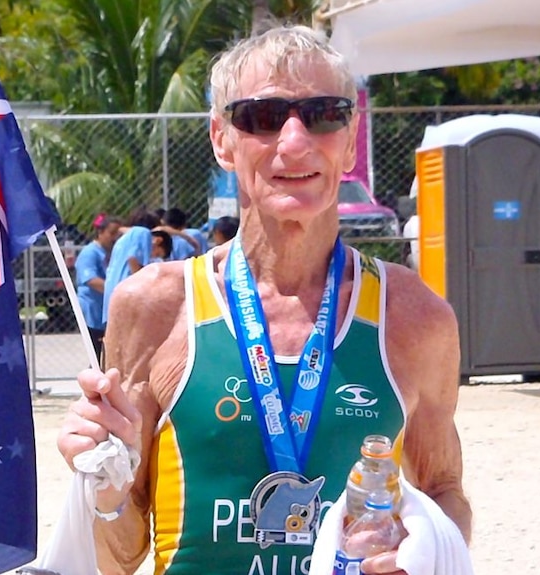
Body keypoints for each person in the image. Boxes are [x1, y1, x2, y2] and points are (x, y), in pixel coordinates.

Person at [58, 23, 471, 575]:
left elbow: (444, 490)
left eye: (324, 114)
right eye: (262, 117)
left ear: (350, 140)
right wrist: (103, 484)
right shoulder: (155, 306)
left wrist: (426, 551)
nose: (295, 141)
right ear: (221, 139)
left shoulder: (415, 316)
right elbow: (119, 557)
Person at [74, 213, 124, 359]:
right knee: (97, 355)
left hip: (106, 310)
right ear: (100, 232)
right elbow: (91, 280)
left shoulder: (113, 253)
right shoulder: (90, 253)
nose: (115, 238)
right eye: (112, 233)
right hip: (93, 311)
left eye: (118, 234)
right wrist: (116, 292)